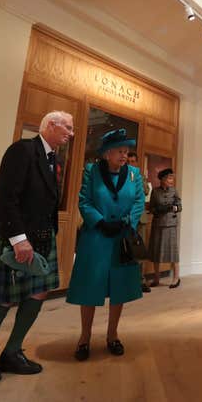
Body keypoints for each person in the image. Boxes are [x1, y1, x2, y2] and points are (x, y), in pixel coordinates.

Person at [0, 110, 74, 384]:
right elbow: (6, 195)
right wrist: (19, 239)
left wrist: (49, 234)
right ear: (51, 125)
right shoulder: (22, 150)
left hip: (42, 236)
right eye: (67, 127)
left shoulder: (53, 158)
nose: (70, 133)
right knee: (3, 298)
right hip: (17, 236)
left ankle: (12, 352)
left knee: (38, 294)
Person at [66, 129, 145, 362]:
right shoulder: (92, 172)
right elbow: (84, 200)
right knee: (90, 288)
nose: (124, 155)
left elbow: (139, 200)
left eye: (126, 151)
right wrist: (99, 222)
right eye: (120, 151)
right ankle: (84, 338)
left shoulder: (134, 174)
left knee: (120, 288)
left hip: (121, 238)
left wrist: (128, 220)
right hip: (96, 238)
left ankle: (112, 335)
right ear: (107, 153)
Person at [148, 168, 182, 288]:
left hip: (171, 224)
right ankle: (156, 278)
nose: (171, 180)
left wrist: (173, 208)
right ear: (162, 179)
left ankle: (176, 278)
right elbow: (151, 207)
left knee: (173, 252)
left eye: (172, 178)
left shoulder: (174, 191)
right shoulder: (155, 192)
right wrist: (157, 210)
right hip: (158, 224)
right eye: (169, 178)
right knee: (156, 251)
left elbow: (179, 206)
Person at [126, 151, 151, 293]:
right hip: (125, 218)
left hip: (140, 219)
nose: (131, 164)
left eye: (133, 161)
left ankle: (141, 280)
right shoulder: (121, 176)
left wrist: (137, 180)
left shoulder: (140, 177)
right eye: (129, 161)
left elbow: (146, 191)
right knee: (125, 249)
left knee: (139, 250)